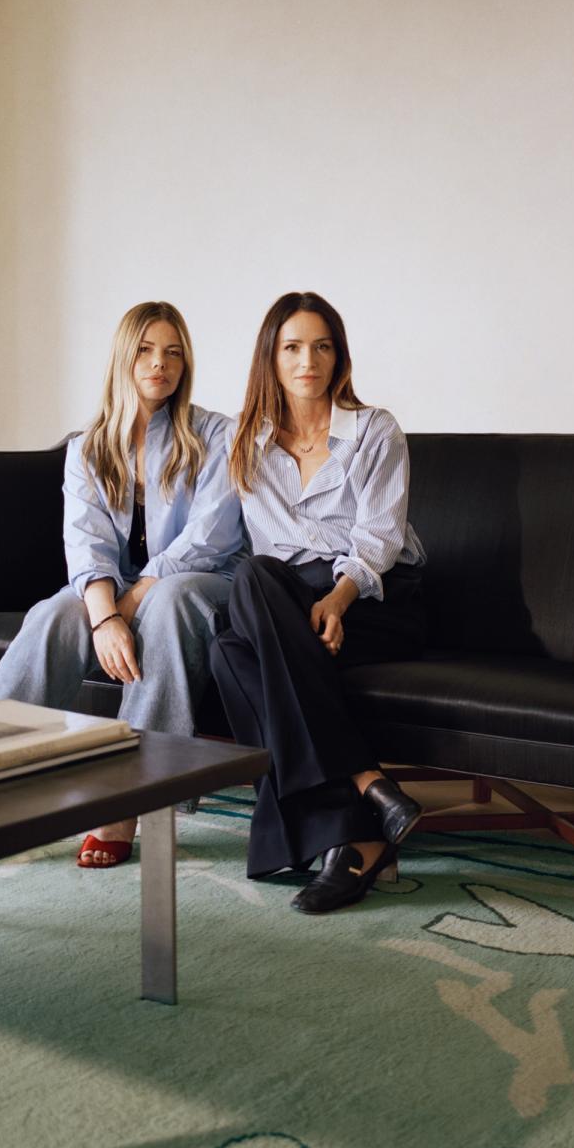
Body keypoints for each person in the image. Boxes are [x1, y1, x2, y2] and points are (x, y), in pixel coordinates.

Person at [0, 300, 243, 868]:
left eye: (173, 352)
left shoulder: (218, 435)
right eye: (146, 350)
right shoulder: (89, 446)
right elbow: (86, 543)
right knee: (55, 613)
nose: (160, 364)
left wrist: (123, 607)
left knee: (169, 600)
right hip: (123, 589)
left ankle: (129, 801)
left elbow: (211, 538)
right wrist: (103, 613)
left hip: (210, 586)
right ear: (124, 358)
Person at [211, 291, 426, 914]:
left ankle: (347, 824)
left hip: (378, 600)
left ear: (339, 356)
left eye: (322, 346)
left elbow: (380, 537)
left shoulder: (374, 431)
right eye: (293, 347)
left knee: (237, 632)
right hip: (295, 607)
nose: (310, 360)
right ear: (271, 359)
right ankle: (365, 800)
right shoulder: (245, 443)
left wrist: (339, 597)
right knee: (240, 615)